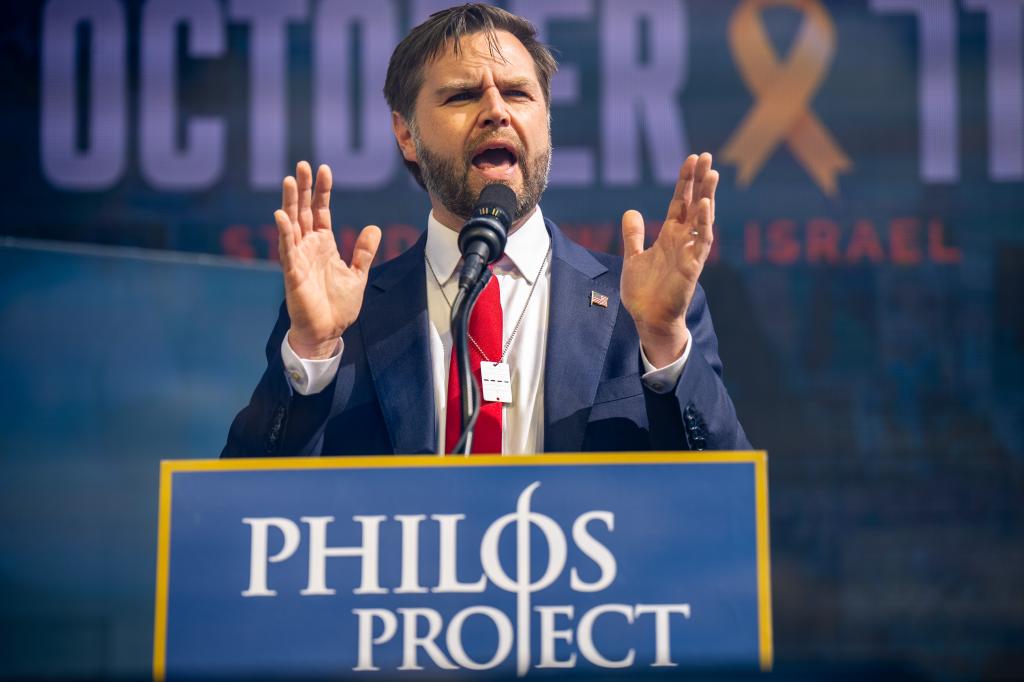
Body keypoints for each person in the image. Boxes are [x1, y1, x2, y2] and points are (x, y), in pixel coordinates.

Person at [222, 4, 749, 458]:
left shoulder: (638, 307)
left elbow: (725, 492)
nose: (496, 111)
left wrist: (662, 342)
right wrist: (312, 355)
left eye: (519, 94)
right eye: (461, 96)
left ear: (546, 120)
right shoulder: (348, 319)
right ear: (406, 133)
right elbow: (249, 500)